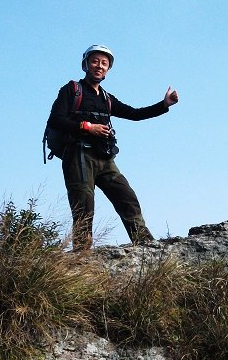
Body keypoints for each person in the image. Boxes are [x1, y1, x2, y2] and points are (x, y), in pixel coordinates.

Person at [47, 44, 179, 250]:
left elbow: (134, 114)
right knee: (84, 208)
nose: (99, 66)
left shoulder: (106, 98)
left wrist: (164, 105)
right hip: (78, 155)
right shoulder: (72, 90)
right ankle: (81, 256)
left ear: (108, 69)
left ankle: (145, 248)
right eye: (95, 61)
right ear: (85, 65)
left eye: (104, 63)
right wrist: (87, 127)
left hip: (104, 157)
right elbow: (55, 120)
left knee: (127, 198)